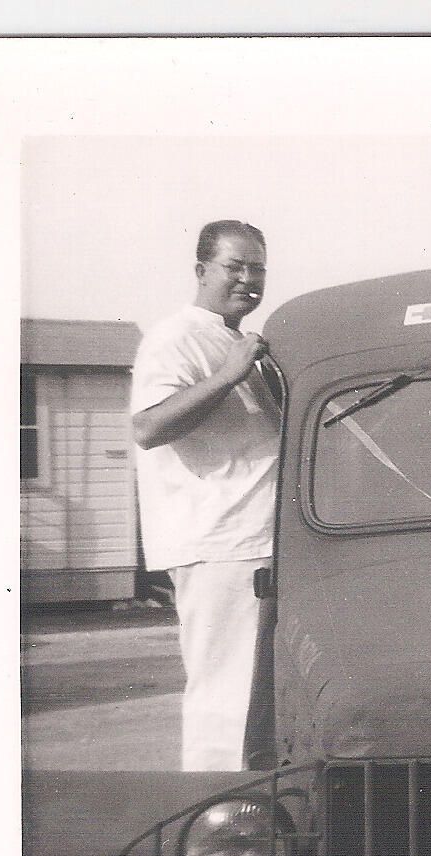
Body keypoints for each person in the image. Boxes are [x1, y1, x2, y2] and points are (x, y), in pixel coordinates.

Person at [130, 220, 278, 771]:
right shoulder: (176, 336)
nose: (247, 279)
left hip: (257, 541)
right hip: (220, 545)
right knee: (225, 696)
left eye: (258, 268)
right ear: (200, 270)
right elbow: (148, 427)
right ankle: (213, 811)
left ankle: (250, 814)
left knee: (260, 699)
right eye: (234, 266)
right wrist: (229, 375)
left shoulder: (237, 340)